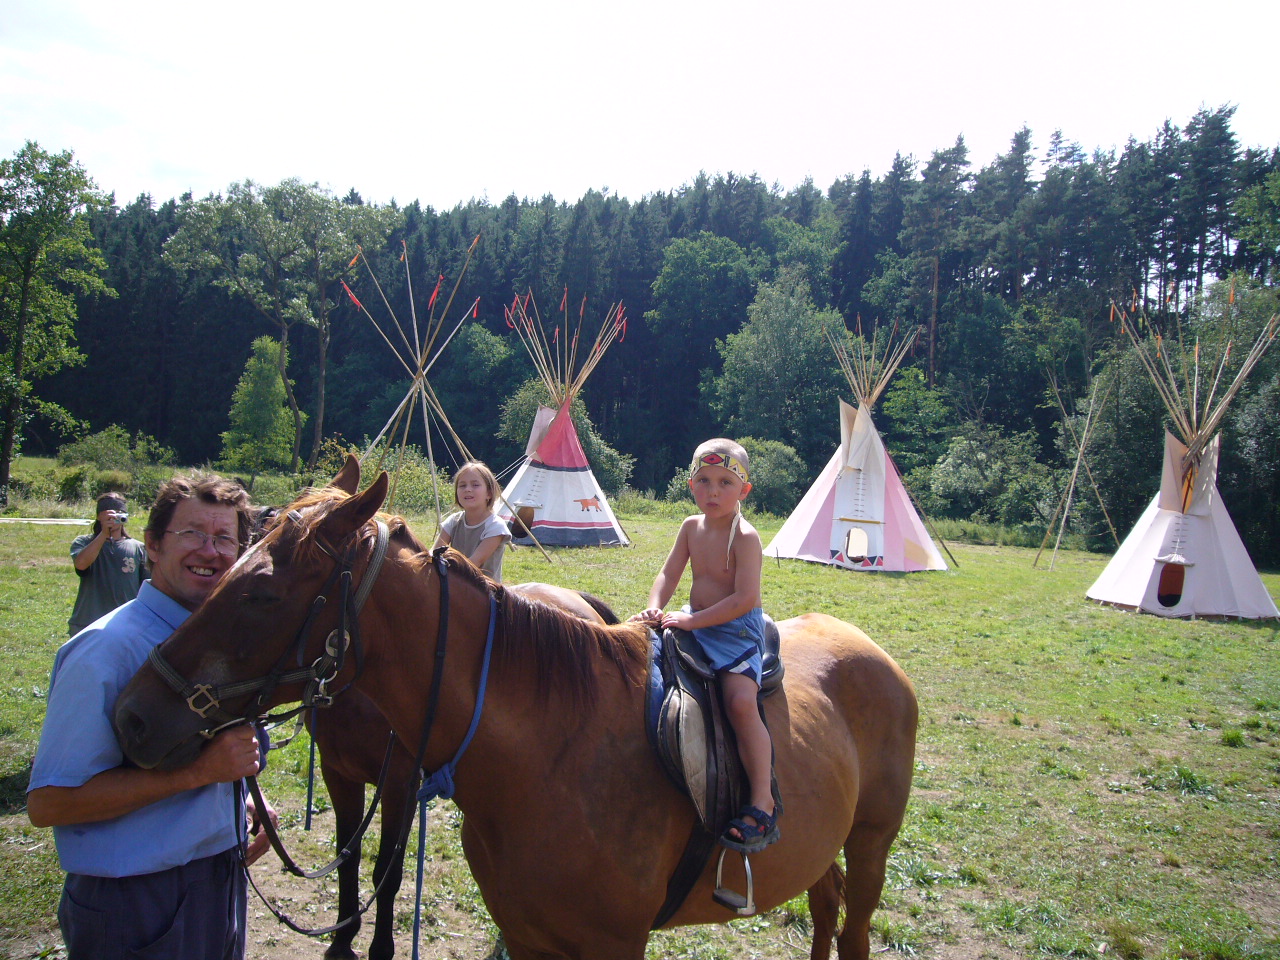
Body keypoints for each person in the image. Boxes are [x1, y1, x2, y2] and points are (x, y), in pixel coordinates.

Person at [27, 473, 275, 960]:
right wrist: (200, 774)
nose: (210, 551)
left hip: (217, 881)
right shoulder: (105, 649)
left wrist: (242, 800)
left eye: (225, 538)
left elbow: (207, 753)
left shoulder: (214, 646)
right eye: (193, 534)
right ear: (153, 546)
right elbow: (49, 804)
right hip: (135, 901)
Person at [630, 438, 779, 853]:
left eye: (725, 483)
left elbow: (744, 598)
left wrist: (693, 620)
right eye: (705, 481)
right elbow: (669, 573)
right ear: (691, 484)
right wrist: (655, 606)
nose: (713, 491)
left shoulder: (745, 537)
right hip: (694, 619)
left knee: (740, 703)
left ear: (743, 490)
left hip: (735, 632)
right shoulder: (690, 527)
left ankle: (763, 798)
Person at [67, 493, 148, 636]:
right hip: (88, 623)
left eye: (119, 513)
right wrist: (104, 534)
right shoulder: (83, 542)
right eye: (110, 514)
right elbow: (81, 565)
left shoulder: (139, 548)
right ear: (99, 517)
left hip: (125, 624)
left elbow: (147, 588)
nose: (114, 518)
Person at [432, 460, 511, 581]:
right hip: (454, 583)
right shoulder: (453, 521)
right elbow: (434, 553)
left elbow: (473, 564)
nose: (468, 489)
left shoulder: (495, 526)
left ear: (489, 493)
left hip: (485, 589)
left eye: (475, 485)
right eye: (462, 485)